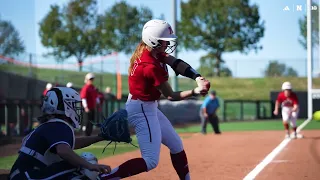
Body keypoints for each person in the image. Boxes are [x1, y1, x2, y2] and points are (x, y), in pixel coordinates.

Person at [99, 19, 210, 180]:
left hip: (145, 106)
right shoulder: (150, 65)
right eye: (164, 41)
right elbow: (171, 95)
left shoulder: (150, 51)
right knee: (150, 161)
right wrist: (196, 90)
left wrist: (197, 76)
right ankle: (104, 178)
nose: (167, 44)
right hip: (142, 109)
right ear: (154, 41)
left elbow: (175, 63)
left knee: (177, 145)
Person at [9, 87, 111, 179]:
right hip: (29, 176)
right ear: (65, 105)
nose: (77, 109)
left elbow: (71, 143)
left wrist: (100, 137)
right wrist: (89, 166)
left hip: (25, 175)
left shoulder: (52, 124)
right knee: (87, 161)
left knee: (80, 163)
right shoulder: (59, 124)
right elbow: (63, 151)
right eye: (73, 104)